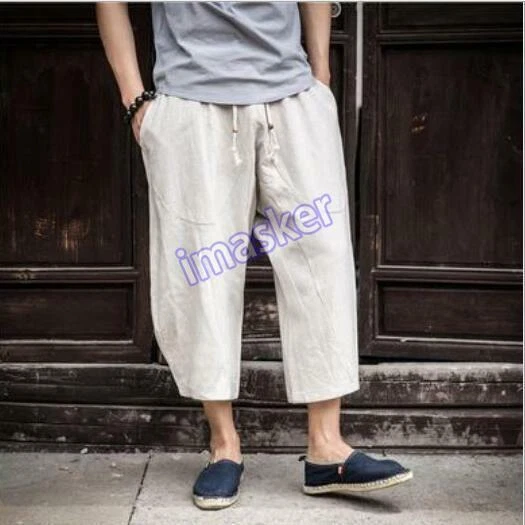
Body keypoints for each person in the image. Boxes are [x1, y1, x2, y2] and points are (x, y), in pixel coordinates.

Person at [96, 1, 412, 510]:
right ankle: (224, 446)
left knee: (322, 262)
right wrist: (136, 103)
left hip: (293, 97)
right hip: (192, 104)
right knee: (204, 274)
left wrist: (321, 78)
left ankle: (326, 447)